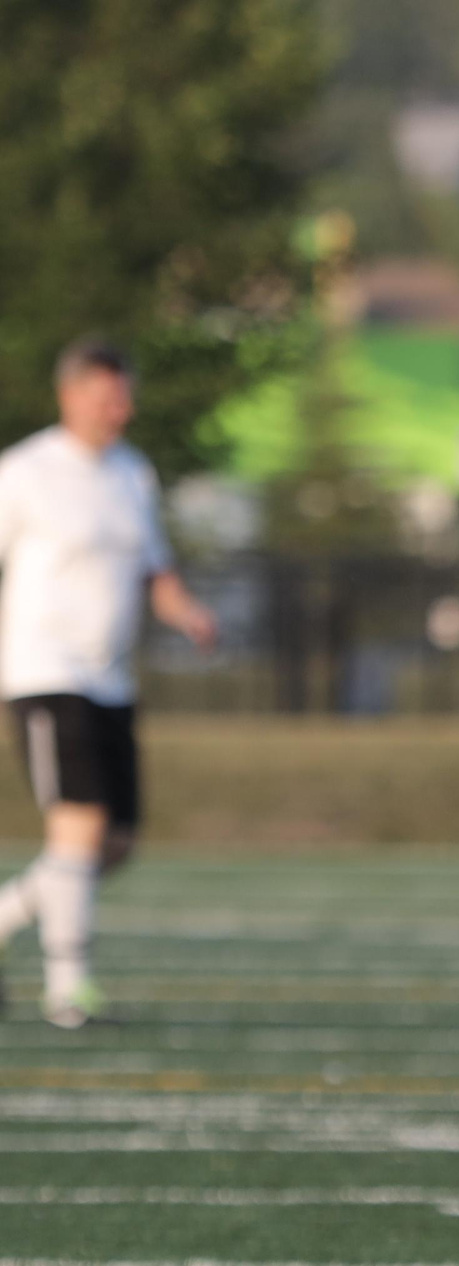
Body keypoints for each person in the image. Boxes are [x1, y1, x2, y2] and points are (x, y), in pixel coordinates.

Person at [0, 339, 219, 1027]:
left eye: (124, 396)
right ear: (70, 395)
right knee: (80, 826)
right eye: (105, 396)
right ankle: (69, 989)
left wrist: (184, 609)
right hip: (44, 671)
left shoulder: (132, 472)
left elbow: (154, 565)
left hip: (110, 679)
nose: (118, 409)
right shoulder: (26, 471)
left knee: (115, 843)